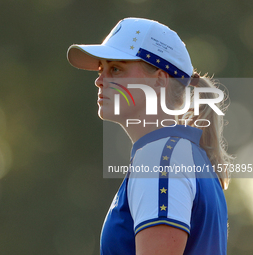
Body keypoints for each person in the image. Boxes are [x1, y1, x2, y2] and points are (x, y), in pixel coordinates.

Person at [67, 18, 232, 255]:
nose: (99, 80)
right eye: (102, 69)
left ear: (158, 80)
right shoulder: (182, 154)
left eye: (116, 68)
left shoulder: (160, 157)